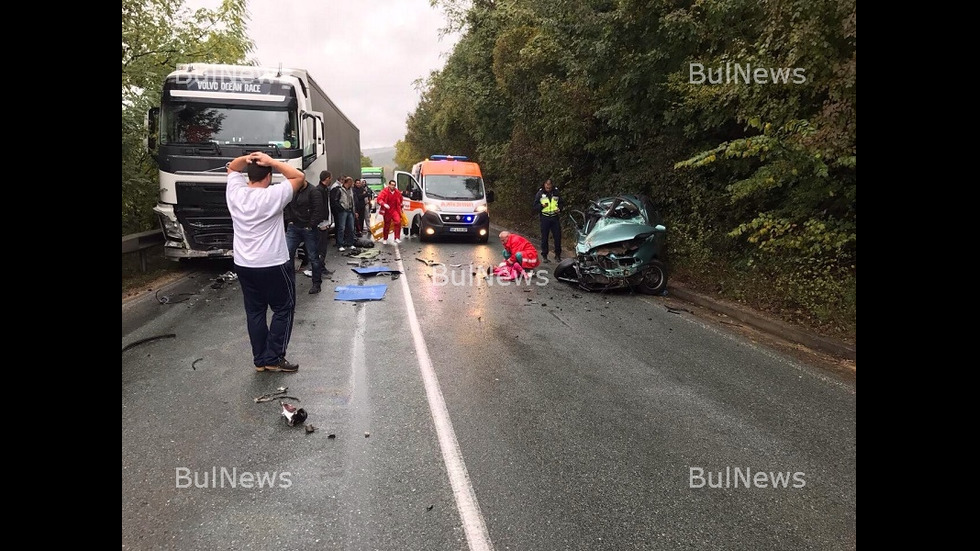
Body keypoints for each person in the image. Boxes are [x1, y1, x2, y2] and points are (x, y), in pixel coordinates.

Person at [225, 151, 305, 373]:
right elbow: (298, 177)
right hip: (273, 262)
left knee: (255, 311)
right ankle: (274, 357)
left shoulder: (235, 194)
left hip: (244, 264)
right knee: (283, 308)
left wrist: (247, 158)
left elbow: (232, 168)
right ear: (268, 176)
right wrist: (271, 161)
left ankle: (260, 360)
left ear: (248, 176)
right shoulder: (273, 195)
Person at [283, 178, 327, 294]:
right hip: (294, 227)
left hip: (308, 228)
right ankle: (289, 284)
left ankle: (316, 283)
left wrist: (311, 225)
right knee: (287, 255)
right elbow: (286, 205)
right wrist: (289, 220)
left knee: (313, 257)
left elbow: (318, 210)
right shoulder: (291, 190)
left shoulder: (313, 191)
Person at [534, 178, 564, 263]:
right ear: (544, 185)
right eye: (546, 185)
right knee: (544, 237)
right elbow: (535, 206)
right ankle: (544, 255)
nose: (548, 186)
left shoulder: (556, 192)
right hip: (545, 218)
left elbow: (561, 203)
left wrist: (559, 209)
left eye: (549, 185)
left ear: (552, 185)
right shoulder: (540, 193)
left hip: (555, 218)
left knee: (557, 237)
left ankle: (557, 255)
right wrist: (541, 206)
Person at [331, 176, 356, 251]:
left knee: (351, 228)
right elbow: (335, 201)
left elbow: (352, 200)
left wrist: (354, 210)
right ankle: (340, 244)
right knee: (341, 228)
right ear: (348, 182)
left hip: (350, 210)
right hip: (343, 211)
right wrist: (341, 209)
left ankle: (350, 243)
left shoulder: (351, 190)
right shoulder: (339, 190)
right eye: (351, 182)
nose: (352, 184)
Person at [375, 179, 403, 245]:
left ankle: (397, 238)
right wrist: (384, 204)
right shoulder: (384, 191)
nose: (393, 186)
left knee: (398, 222)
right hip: (387, 211)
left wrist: (401, 205)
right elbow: (379, 199)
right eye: (392, 185)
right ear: (389, 185)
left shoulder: (397, 192)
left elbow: (401, 199)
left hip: (395, 210)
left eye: (394, 185)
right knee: (387, 225)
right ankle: (385, 238)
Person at [315, 171, 333, 262]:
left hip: (325, 221)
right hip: (321, 223)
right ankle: (318, 268)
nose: (331, 180)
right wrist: (321, 223)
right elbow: (319, 208)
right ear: (327, 178)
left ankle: (321, 266)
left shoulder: (325, 189)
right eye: (330, 178)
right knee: (320, 246)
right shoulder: (319, 190)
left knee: (323, 246)